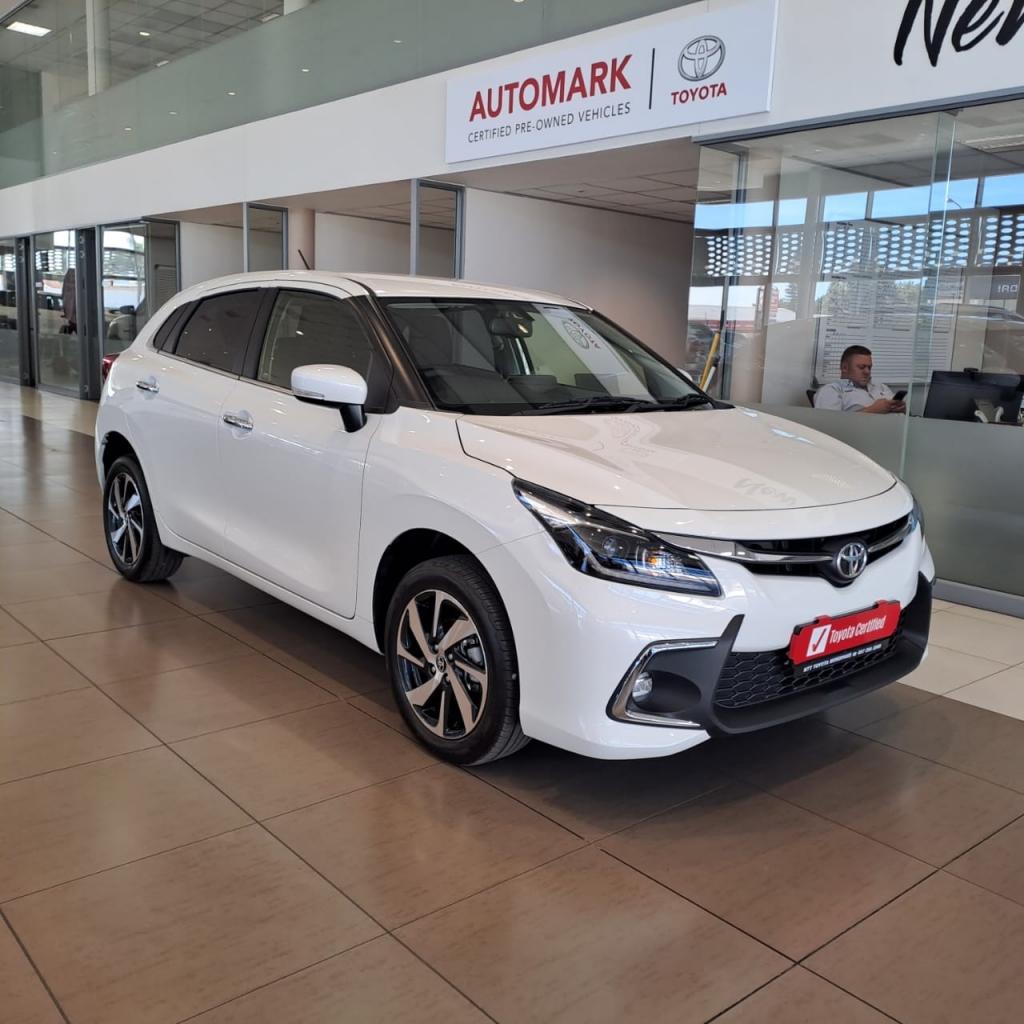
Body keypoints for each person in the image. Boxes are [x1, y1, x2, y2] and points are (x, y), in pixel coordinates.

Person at [813, 345, 906, 414]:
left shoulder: (881, 387)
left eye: (869, 367)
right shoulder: (832, 391)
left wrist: (901, 409)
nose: (867, 371)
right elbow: (829, 425)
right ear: (845, 367)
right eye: (862, 367)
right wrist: (873, 411)